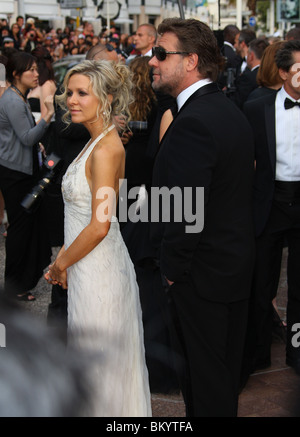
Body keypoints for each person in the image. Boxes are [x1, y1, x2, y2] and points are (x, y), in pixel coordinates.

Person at [148, 18, 255, 417]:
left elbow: (184, 208)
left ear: (191, 60)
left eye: (161, 54)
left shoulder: (194, 120)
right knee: (217, 379)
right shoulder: (225, 109)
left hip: (201, 276)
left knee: (206, 383)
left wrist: (173, 268)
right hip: (228, 268)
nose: (152, 62)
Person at [45, 60, 151, 417]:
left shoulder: (106, 149)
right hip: (87, 264)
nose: (71, 100)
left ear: (105, 97)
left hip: (99, 269)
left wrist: (61, 261)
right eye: (69, 92)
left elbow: (100, 225)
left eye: (81, 93)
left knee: (99, 368)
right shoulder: (99, 142)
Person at [242, 40, 300, 381]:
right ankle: (258, 354)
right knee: (260, 286)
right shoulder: (256, 106)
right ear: (282, 72)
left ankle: (296, 352)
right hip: (269, 203)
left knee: (299, 289)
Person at [0, 52, 54, 301]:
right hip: (16, 173)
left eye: (36, 69)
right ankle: (13, 288)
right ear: (15, 74)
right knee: (20, 230)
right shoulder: (12, 100)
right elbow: (27, 137)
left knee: (25, 228)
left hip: (18, 169)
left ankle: (18, 284)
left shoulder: (16, 97)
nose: (36, 74)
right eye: (30, 70)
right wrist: (46, 117)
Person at [231, 38, 269, 108]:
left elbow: (238, 103)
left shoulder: (247, 78)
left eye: (247, 53)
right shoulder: (269, 75)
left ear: (251, 56)